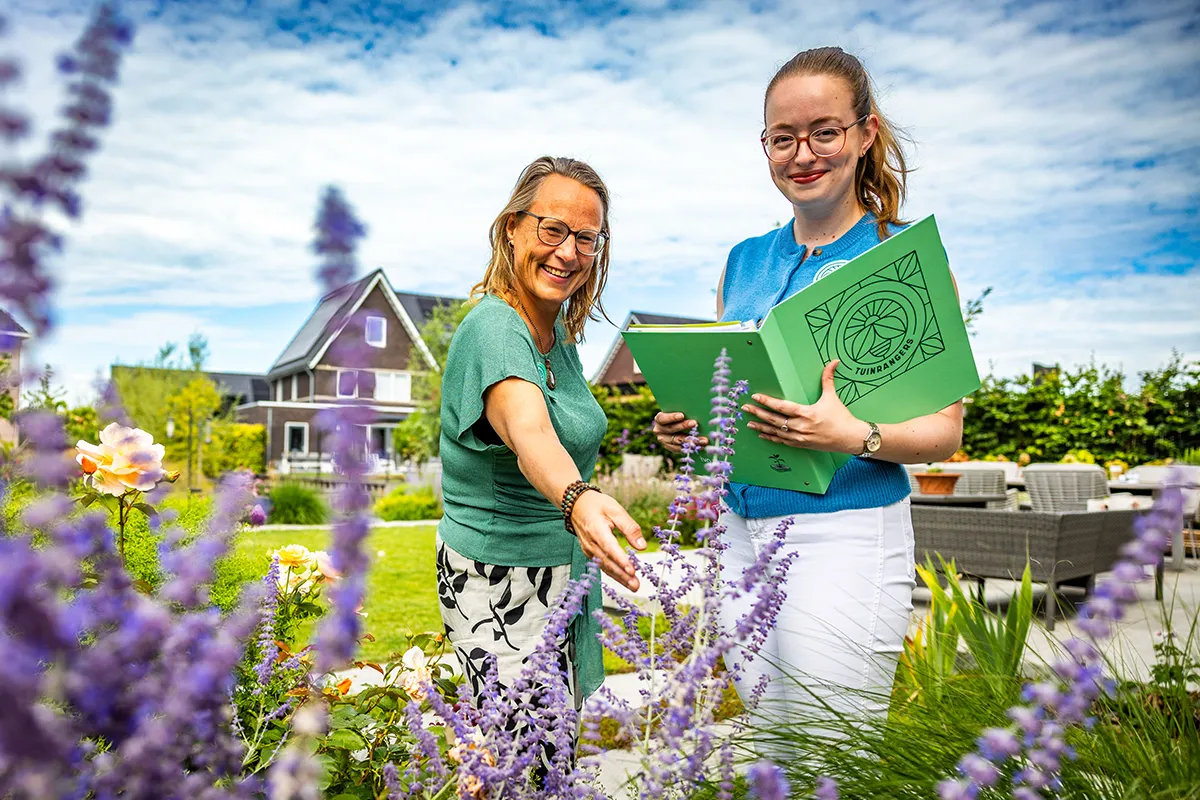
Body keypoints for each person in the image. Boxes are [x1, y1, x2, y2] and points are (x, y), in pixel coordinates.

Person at [653, 47, 963, 732]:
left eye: (824, 131)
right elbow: (732, 388)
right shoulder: (743, 261)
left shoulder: (905, 256)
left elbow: (946, 429)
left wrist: (853, 435)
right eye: (782, 137)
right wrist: (690, 426)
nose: (803, 153)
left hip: (844, 533)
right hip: (737, 531)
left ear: (865, 134)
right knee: (773, 748)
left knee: (830, 752)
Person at [436, 156, 645, 718]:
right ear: (512, 227)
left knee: (550, 763)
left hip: (556, 574)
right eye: (551, 229)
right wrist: (579, 499)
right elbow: (530, 434)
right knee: (521, 765)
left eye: (586, 238)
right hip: (502, 584)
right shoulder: (495, 328)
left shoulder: (558, 335)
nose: (568, 251)